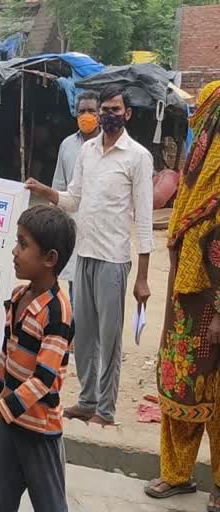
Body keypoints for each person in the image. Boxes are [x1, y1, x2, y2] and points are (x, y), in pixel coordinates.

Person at [26, 85, 154, 427]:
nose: (108, 115)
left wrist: (142, 277)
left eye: (115, 109)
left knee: (109, 337)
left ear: (127, 114)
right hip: (83, 253)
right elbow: (74, 200)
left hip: (114, 258)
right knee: (81, 335)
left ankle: (106, 410)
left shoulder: (138, 157)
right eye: (104, 109)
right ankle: (87, 399)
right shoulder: (86, 152)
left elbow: (144, 219)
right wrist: (45, 192)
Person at [0, 204, 75, 512]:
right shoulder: (17, 298)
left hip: (40, 430)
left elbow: (43, 380)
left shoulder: (58, 312)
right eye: (17, 241)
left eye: (23, 244)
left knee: (51, 506)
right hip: (11, 424)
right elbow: (6, 357)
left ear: (50, 259)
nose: (14, 251)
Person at [144, 81, 220, 511]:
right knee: (179, 389)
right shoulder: (195, 185)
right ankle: (177, 474)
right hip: (186, 308)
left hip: (214, 308)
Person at [52, 90, 101, 304]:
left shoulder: (108, 144)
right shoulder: (67, 145)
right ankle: (74, 333)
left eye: (91, 110)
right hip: (74, 223)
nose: (86, 115)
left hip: (101, 227)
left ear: (99, 113)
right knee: (75, 283)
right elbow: (59, 185)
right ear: (75, 114)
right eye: (82, 111)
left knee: (98, 287)